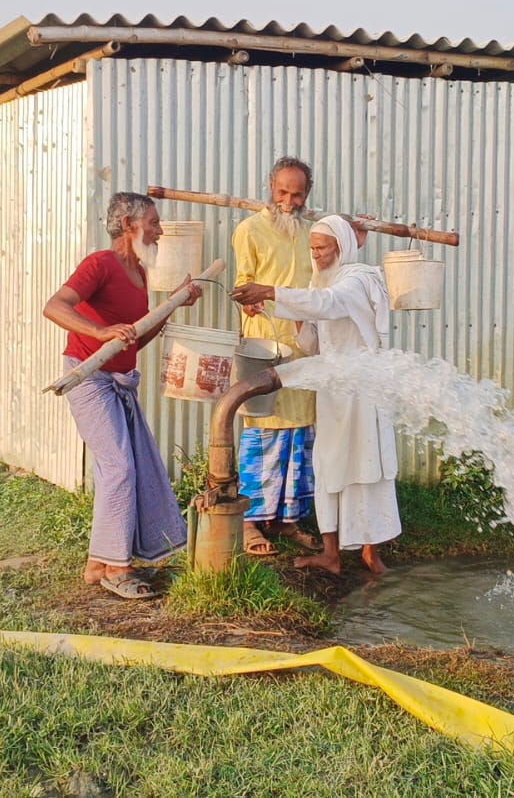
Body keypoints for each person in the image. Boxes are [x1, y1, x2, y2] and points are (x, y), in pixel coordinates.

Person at [42, 192, 202, 599]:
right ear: (129, 226)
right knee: (118, 469)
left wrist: (172, 306)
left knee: (126, 467)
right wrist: (99, 333)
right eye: (153, 222)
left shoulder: (141, 274)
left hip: (121, 379)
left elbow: (134, 339)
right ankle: (117, 567)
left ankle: (98, 564)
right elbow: (54, 305)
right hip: (90, 378)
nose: (160, 230)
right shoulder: (101, 264)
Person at [231, 214, 399, 575]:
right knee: (329, 467)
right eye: (312, 248)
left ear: (342, 247)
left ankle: (372, 552)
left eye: (322, 248)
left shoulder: (358, 279)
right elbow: (312, 344)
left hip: (363, 394)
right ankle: (332, 554)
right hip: (334, 394)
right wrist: (291, 316)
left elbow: (328, 303)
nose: (316, 255)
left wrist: (270, 291)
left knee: (368, 466)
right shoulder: (323, 282)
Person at [231, 157, 322, 556]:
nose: (288, 200)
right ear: (271, 189)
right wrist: (248, 304)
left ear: (307, 195)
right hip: (264, 343)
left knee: (300, 434)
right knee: (262, 432)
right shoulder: (248, 230)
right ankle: (251, 523)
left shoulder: (315, 233)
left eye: (297, 193)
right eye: (282, 192)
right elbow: (241, 284)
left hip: (305, 345)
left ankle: (287, 520)